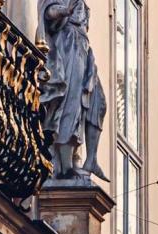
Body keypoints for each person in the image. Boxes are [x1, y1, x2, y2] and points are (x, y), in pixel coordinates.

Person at [38, 0, 107, 179]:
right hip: (68, 45)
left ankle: (89, 159)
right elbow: (48, 11)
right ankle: (65, 165)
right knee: (71, 104)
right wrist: (65, 10)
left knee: (97, 103)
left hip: (82, 48)